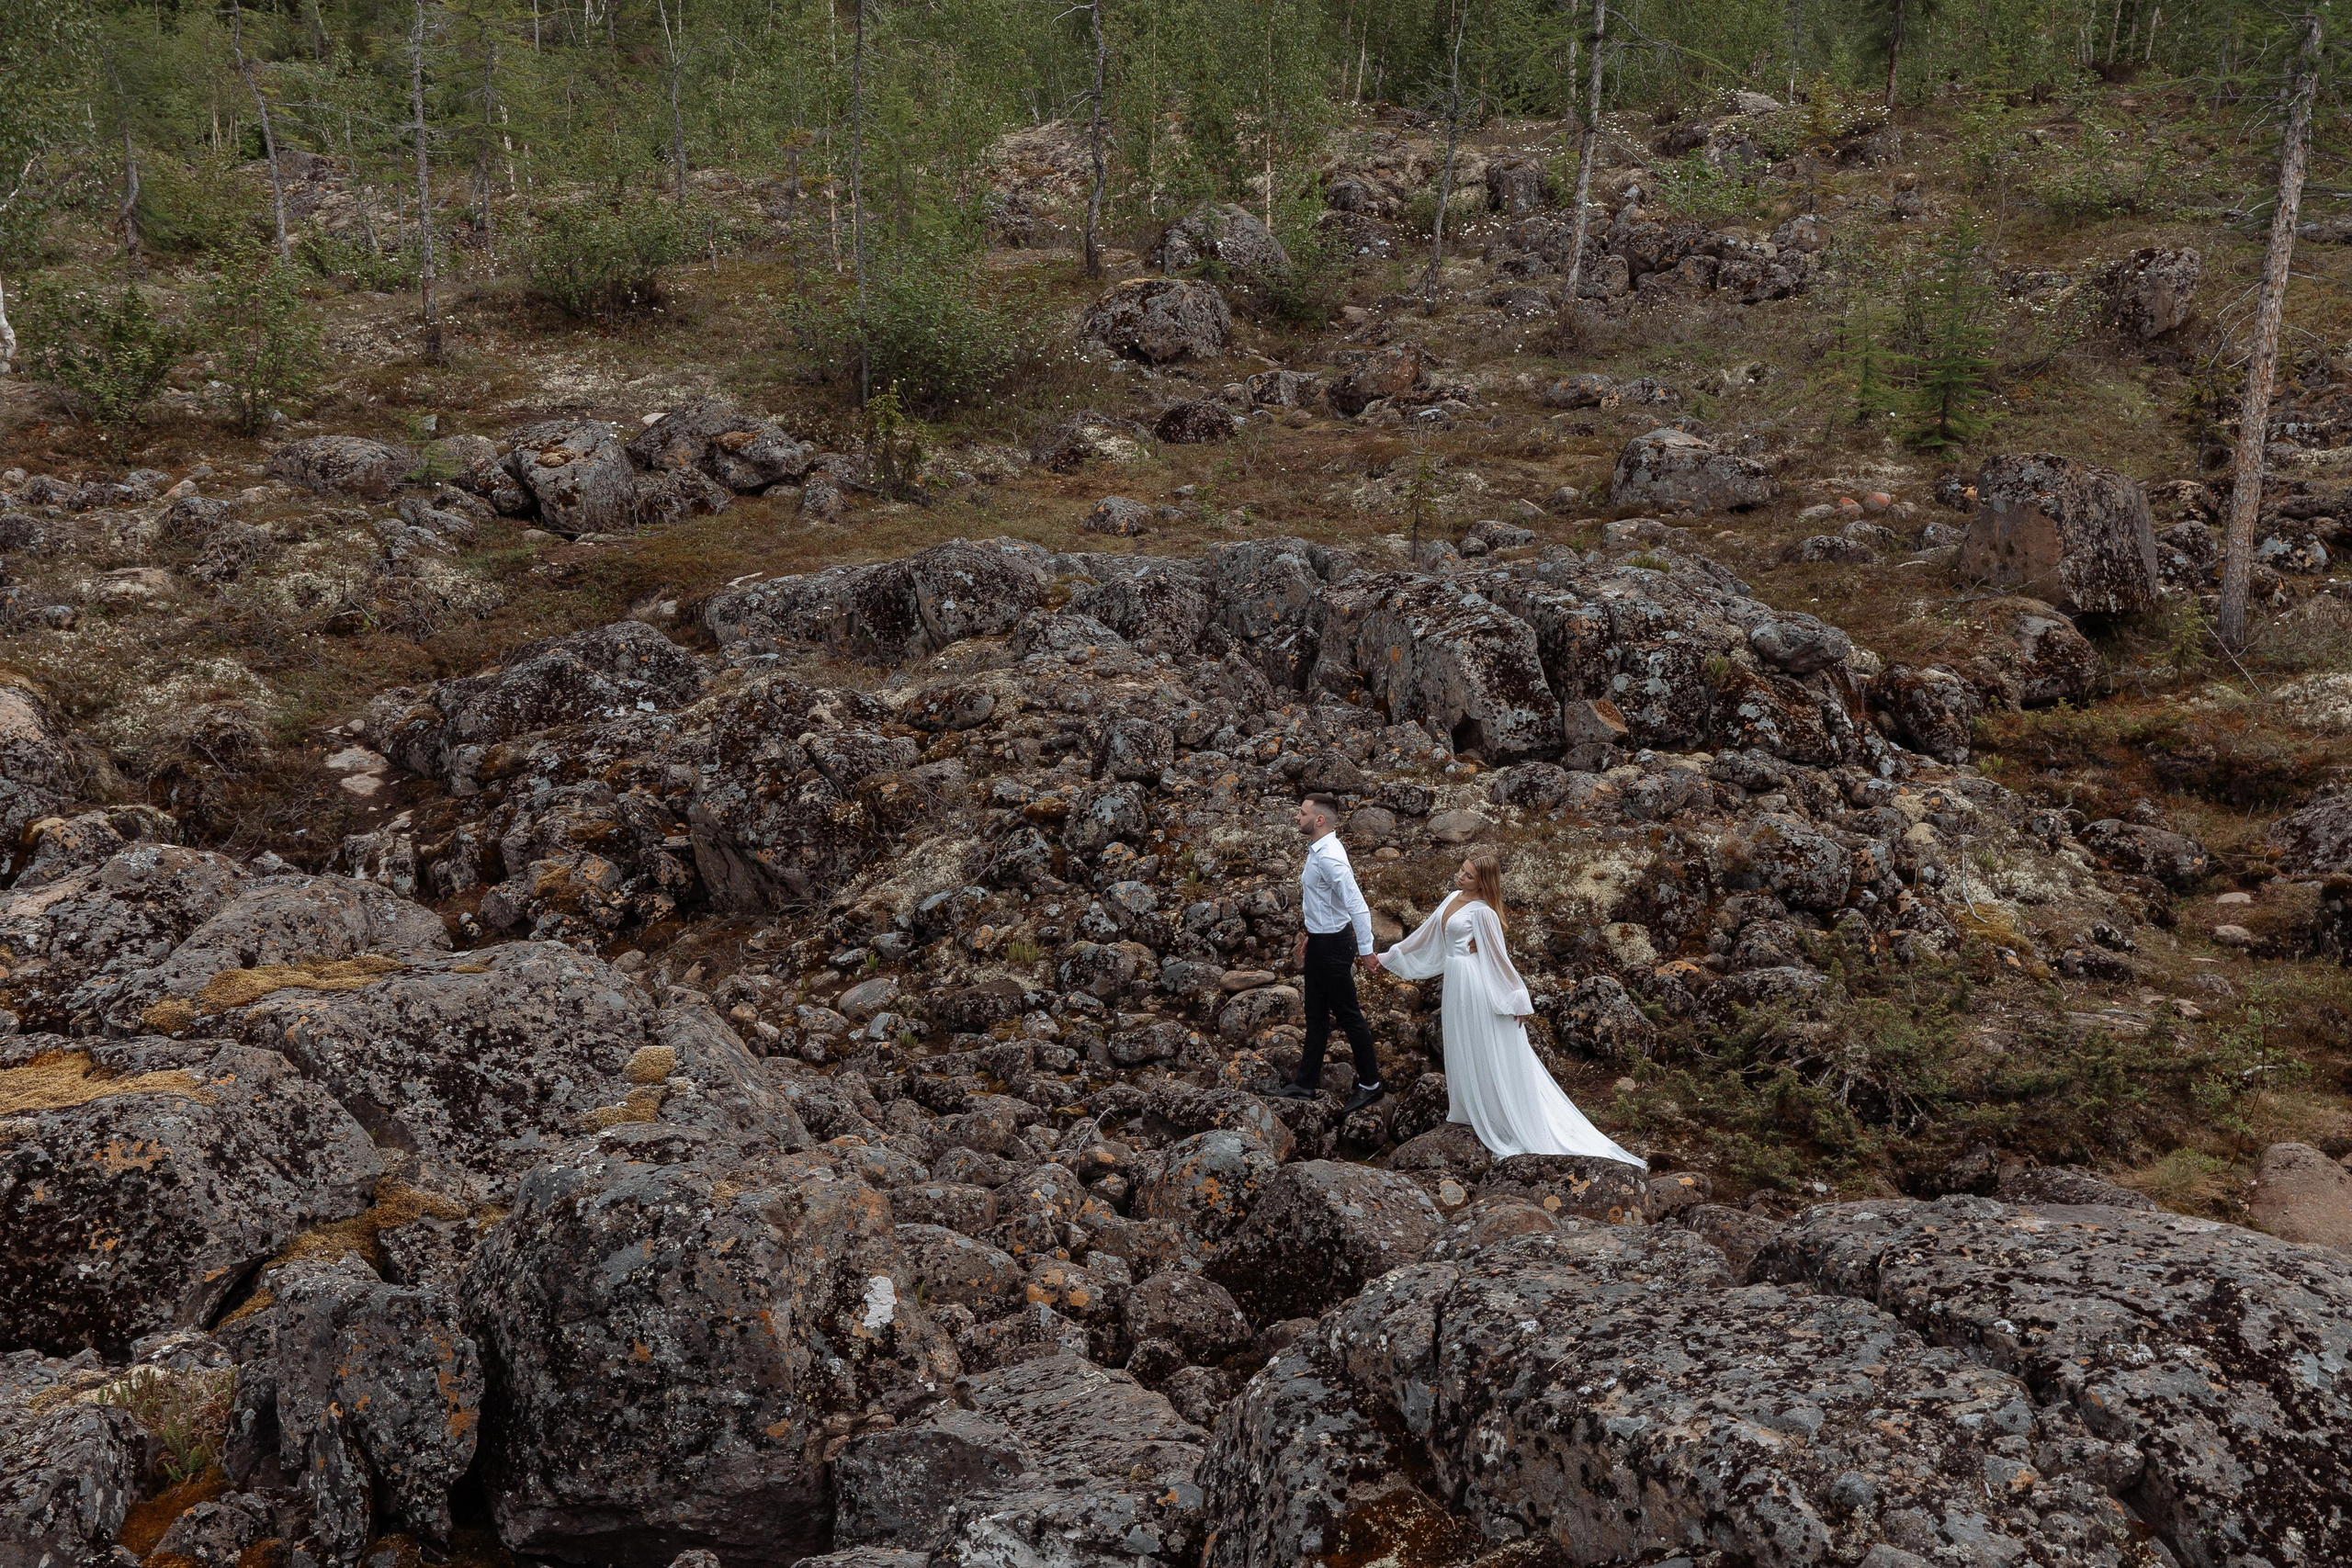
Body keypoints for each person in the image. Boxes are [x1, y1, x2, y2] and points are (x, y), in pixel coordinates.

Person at [1372, 852, 1645, 1167]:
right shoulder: (1451, 898)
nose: (1461, 877)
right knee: (1462, 1043)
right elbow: (1426, 935)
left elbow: (1499, 959)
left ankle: (1498, 1114)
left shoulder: (1484, 914)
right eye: (1462, 870)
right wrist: (1388, 957)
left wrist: (1516, 995)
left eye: (1469, 875)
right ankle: (1470, 1108)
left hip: (1474, 983)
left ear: (1483, 882)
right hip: (1456, 981)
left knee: (1483, 1044)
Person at [1272, 794, 1385, 1116]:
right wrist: (1312, 934)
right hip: (1322, 942)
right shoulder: (1319, 850)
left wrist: (1366, 951)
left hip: (1336, 946)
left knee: (1349, 1015)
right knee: (1316, 1016)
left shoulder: (1330, 857)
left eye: (1303, 812)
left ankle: (1371, 1083)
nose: (1297, 816)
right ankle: (1305, 1082)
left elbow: (1357, 906)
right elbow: (1325, 902)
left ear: (1319, 820)